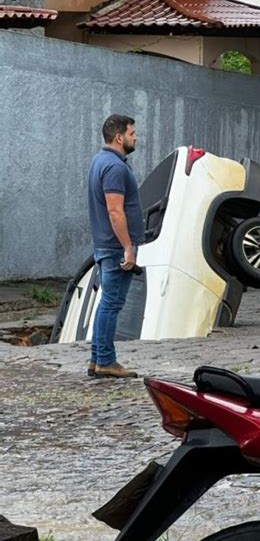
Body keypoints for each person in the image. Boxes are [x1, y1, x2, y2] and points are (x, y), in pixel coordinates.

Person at [87, 114, 145, 378]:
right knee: (111, 304)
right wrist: (128, 247)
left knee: (106, 303)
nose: (136, 138)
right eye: (132, 133)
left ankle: (97, 359)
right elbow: (115, 211)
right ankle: (106, 361)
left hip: (106, 244)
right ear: (119, 137)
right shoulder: (114, 167)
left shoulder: (100, 161)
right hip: (114, 247)